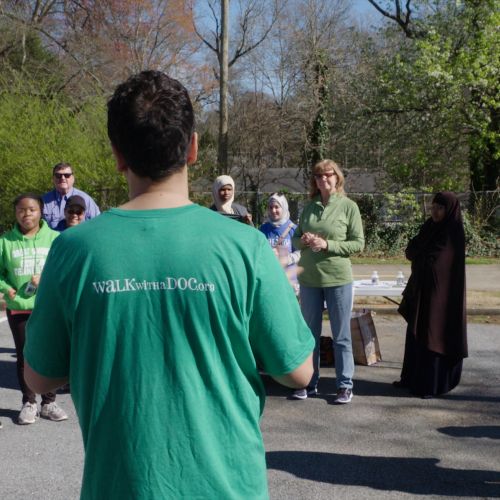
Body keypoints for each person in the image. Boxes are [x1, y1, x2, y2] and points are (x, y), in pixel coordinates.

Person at [24, 70, 313, 499]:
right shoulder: (246, 246)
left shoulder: (74, 250)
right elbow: (298, 371)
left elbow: (39, 377)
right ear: (193, 147)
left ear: (117, 155)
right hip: (228, 487)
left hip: (119, 487)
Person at [292, 159, 364, 403]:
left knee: (341, 335)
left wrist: (327, 244)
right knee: (309, 335)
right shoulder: (309, 207)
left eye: (328, 175)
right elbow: (295, 240)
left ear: (337, 177)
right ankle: (308, 382)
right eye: (319, 176)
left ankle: (344, 385)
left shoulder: (348, 207)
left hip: (338, 278)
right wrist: (305, 240)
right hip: (310, 279)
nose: (324, 179)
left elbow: (358, 243)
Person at [0, 193, 67, 424]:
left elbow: (65, 269)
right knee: (24, 356)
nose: (26, 214)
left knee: (49, 353)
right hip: (19, 308)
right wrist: (6, 287)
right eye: (21, 209)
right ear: (15, 213)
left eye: (31, 209)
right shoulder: (5, 241)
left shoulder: (55, 238)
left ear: (41, 212)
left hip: (49, 307)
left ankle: (49, 402)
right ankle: (29, 402)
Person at [394, 191, 467, 398]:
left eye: (440, 208)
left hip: (441, 297)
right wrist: (420, 255)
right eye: (433, 206)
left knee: (433, 334)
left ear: (449, 210)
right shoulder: (429, 227)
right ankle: (411, 378)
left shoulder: (452, 232)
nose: (435, 211)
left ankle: (431, 385)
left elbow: (435, 261)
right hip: (422, 291)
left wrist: (420, 255)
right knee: (417, 333)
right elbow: (411, 251)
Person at [259, 192, 300, 295]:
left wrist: (287, 259)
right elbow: (258, 252)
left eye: (277, 207)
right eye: (271, 207)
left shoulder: (294, 229)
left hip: (290, 281)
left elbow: (301, 252)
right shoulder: (263, 229)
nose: (273, 210)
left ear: (284, 207)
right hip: (270, 279)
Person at [42, 162, 100, 229]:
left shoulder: (86, 200)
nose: (63, 178)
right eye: (58, 175)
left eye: (67, 175)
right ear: (53, 178)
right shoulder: (43, 201)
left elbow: (97, 224)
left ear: (73, 178)